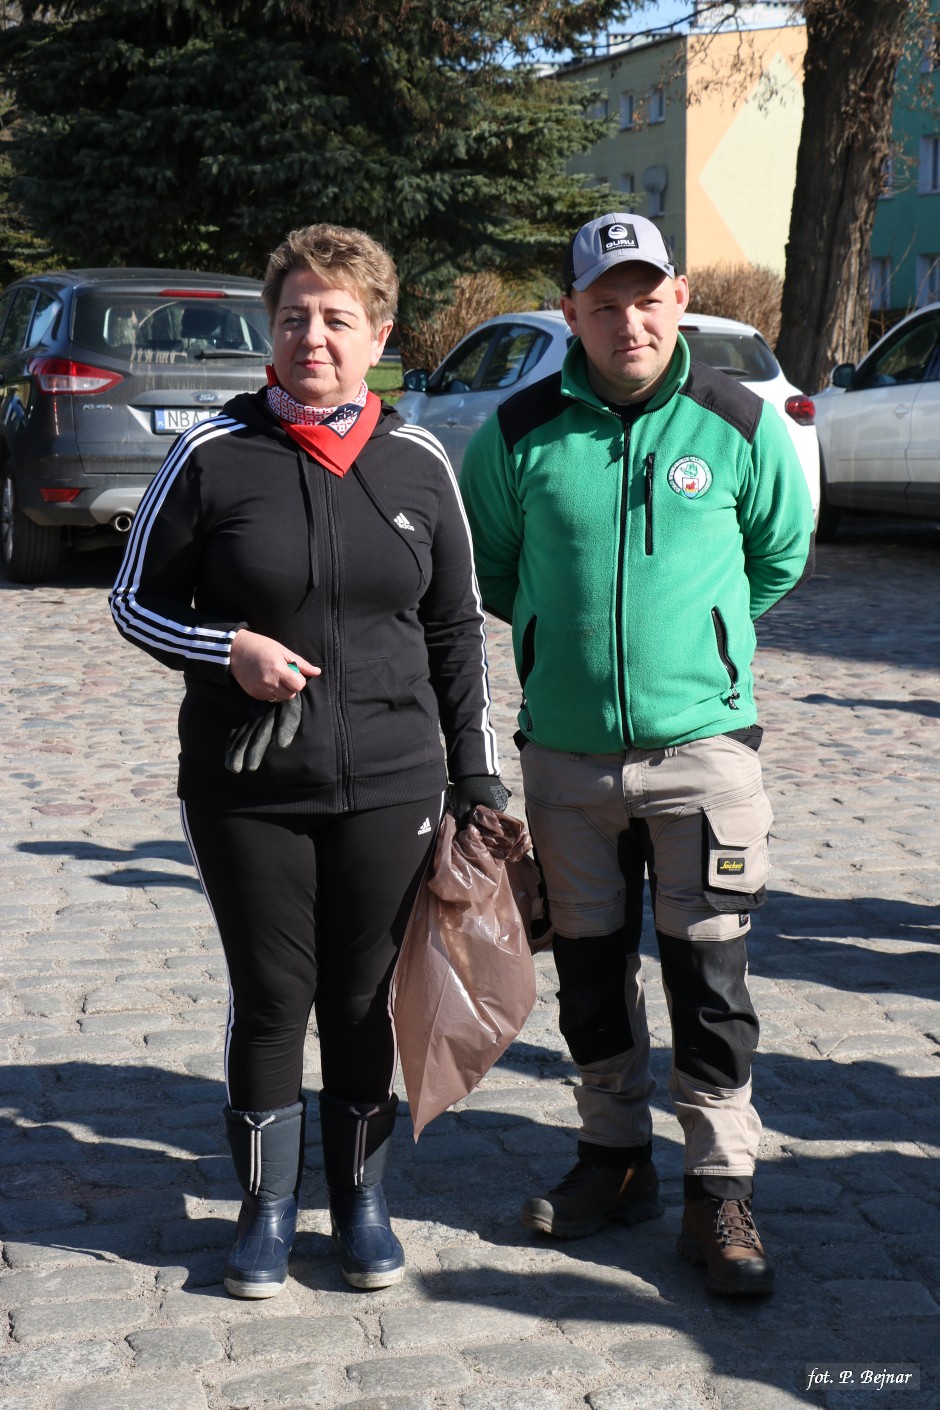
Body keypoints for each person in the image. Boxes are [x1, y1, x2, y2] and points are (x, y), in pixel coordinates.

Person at [110, 223, 507, 1299]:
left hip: (392, 782)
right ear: (269, 331)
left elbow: (455, 632)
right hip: (247, 788)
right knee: (273, 994)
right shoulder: (211, 453)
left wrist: (475, 777)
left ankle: (362, 1204)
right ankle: (267, 1209)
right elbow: (135, 601)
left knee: (363, 997)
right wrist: (225, 650)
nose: (313, 338)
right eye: (293, 318)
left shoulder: (418, 461)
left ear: (380, 333)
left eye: (337, 319)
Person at [458, 212, 814, 1297]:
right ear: (571, 311)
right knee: (590, 976)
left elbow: (777, 557)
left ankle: (720, 1188)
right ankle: (613, 1159)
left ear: (680, 299)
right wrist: (562, 650)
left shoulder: (740, 421)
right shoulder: (517, 433)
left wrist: (698, 650)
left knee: (711, 979)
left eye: (647, 300)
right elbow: (495, 572)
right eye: (604, 304)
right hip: (567, 761)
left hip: (704, 753)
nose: (629, 323)